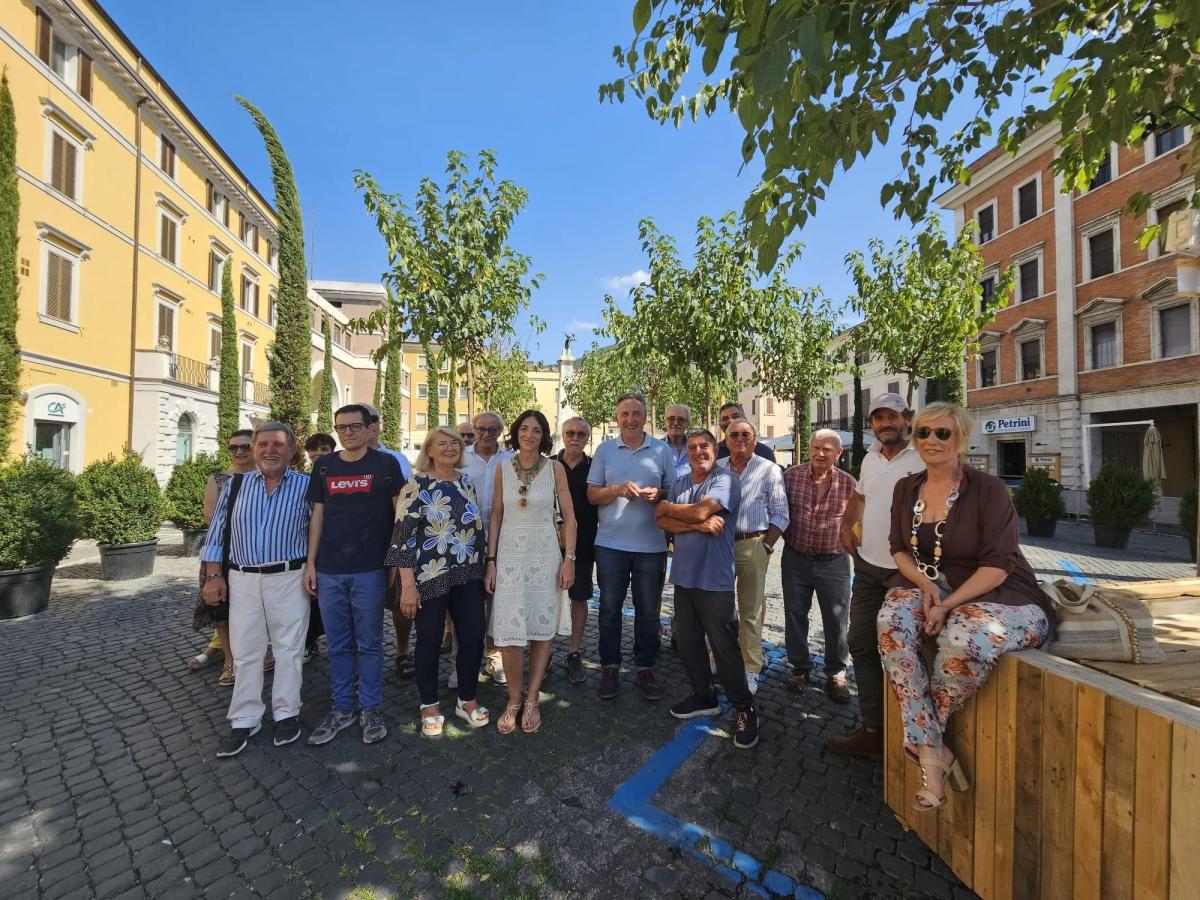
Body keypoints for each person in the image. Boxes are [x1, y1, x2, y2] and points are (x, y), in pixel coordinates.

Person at [878, 403, 1053, 810]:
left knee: (967, 637)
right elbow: (899, 550)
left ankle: (926, 748)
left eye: (943, 433)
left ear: (961, 438)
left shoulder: (988, 489)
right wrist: (924, 587)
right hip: (929, 583)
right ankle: (933, 751)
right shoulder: (907, 488)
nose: (932, 441)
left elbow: (998, 565)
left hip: (997, 591)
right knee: (891, 622)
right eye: (923, 433)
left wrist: (946, 605)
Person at [201, 422, 313, 758]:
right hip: (243, 578)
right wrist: (213, 576)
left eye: (278, 444)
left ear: (292, 450)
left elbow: (319, 533)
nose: (270, 450)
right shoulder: (234, 486)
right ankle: (245, 717)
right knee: (246, 650)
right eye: (263, 444)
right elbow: (217, 534)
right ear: (253, 449)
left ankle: (286, 713)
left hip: (290, 577)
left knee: (289, 650)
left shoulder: (308, 487)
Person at [825, 393, 924, 759]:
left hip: (909, 573)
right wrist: (845, 524)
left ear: (907, 419)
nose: (886, 424)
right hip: (868, 568)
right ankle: (874, 730)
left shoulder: (924, 454)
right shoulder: (870, 457)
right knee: (862, 643)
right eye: (879, 418)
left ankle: (912, 734)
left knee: (905, 651)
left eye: (892, 417)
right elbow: (861, 496)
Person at [303, 405, 404, 747]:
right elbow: (317, 517)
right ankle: (342, 708)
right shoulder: (323, 467)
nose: (347, 433)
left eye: (354, 426)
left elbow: (399, 517)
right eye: (341, 428)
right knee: (339, 644)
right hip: (330, 570)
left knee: (371, 643)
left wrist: (395, 562)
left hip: (370, 569)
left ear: (368, 429)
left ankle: (371, 708)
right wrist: (311, 563)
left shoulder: (386, 465)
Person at [656, 429, 758, 749]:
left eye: (705, 446)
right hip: (684, 577)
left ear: (716, 449)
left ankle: (744, 708)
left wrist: (671, 510)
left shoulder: (726, 480)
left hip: (715, 579)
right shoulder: (681, 483)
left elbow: (685, 510)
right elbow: (661, 519)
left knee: (725, 647)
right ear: (686, 453)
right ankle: (704, 696)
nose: (698, 452)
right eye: (693, 448)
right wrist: (697, 523)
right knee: (687, 642)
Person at [386, 427, 489, 736]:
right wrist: (407, 585)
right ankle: (429, 705)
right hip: (430, 575)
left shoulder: (466, 482)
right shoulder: (416, 485)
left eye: (454, 444)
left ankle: (467, 699)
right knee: (429, 640)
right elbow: (401, 538)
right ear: (429, 450)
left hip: (468, 573)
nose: (449, 449)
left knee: (472, 636)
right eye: (441, 444)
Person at [485, 410, 577, 734]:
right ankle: (513, 698)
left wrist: (570, 559)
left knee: (541, 630)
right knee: (510, 634)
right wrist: (491, 561)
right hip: (510, 557)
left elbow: (571, 518)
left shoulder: (555, 469)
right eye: (524, 429)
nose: (529, 435)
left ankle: (533, 697)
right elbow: (496, 516)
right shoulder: (501, 469)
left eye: (536, 430)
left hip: (545, 557)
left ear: (544, 436)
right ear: (515, 432)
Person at [586, 392, 675, 701]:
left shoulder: (662, 450)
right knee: (609, 609)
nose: (631, 419)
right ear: (617, 417)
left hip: (651, 545)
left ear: (645, 416)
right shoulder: (604, 450)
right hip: (610, 544)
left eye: (636, 413)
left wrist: (659, 494)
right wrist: (617, 490)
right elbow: (591, 495)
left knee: (648, 611)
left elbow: (674, 492)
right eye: (625, 414)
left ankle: (645, 667)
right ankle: (609, 666)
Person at [781, 429, 856, 701]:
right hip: (795, 558)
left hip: (834, 561)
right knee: (794, 613)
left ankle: (836, 673)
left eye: (826, 449)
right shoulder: (790, 477)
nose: (820, 453)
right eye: (815, 447)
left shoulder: (850, 485)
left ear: (838, 453)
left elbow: (857, 525)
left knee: (837, 619)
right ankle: (799, 668)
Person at [716, 419, 789, 696]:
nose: (740, 439)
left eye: (745, 434)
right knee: (719, 609)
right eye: (734, 435)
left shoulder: (768, 469)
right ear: (726, 439)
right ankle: (717, 659)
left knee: (750, 612)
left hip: (752, 543)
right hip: (720, 546)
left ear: (755, 439)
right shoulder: (717, 468)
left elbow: (781, 513)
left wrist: (766, 547)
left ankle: (750, 668)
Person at [188, 429, 257, 686]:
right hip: (223, 551)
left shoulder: (268, 478)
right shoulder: (219, 479)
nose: (239, 451)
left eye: (245, 446)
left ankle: (259, 651)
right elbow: (211, 517)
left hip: (256, 552)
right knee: (222, 608)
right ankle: (229, 658)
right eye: (234, 447)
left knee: (254, 606)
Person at [459, 411, 514, 685]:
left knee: (496, 600)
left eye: (493, 430)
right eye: (481, 428)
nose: (486, 434)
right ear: (474, 429)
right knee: (464, 602)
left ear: (500, 432)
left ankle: (494, 657)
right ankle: (461, 662)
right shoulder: (460, 456)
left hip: (501, 536)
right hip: (464, 539)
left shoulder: (510, 459)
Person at [555, 417, 599, 683]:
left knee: (579, 598)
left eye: (581, 434)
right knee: (548, 598)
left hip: (584, 544)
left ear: (587, 438)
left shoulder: (595, 467)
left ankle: (574, 651)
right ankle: (544, 650)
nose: (575, 437)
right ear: (562, 435)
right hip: (549, 544)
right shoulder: (547, 464)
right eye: (570, 432)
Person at [663, 404, 692, 479]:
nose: (675, 423)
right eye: (671, 419)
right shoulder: (655, 449)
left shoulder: (696, 448)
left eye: (681, 419)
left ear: (688, 423)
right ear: (665, 422)